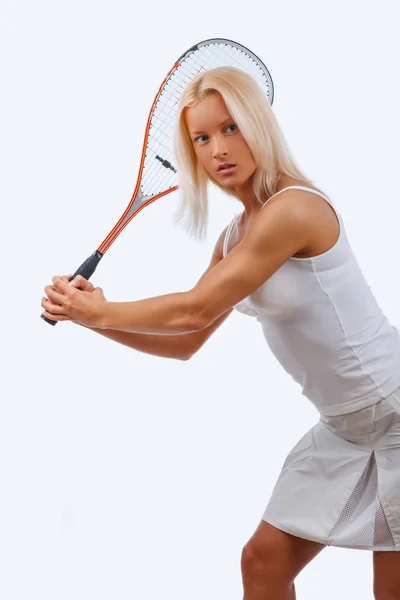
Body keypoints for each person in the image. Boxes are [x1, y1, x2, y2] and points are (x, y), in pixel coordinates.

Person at [41, 66, 400, 599]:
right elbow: (188, 340)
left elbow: (192, 309)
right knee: (263, 563)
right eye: (202, 138)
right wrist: (89, 319)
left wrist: (102, 311)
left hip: (395, 410)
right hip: (346, 428)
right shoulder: (235, 236)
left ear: (259, 125)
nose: (218, 150)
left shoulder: (295, 209)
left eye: (230, 128)